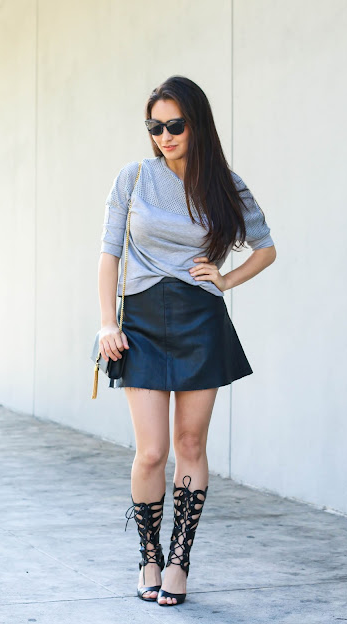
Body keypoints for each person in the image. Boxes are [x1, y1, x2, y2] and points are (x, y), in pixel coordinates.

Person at [97, 75, 276, 606]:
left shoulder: (225, 185)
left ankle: (179, 560)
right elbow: (108, 254)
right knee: (152, 451)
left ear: (197, 123)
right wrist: (107, 323)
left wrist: (226, 278)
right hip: (141, 322)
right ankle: (149, 555)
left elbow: (265, 247)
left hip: (200, 319)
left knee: (191, 445)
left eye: (174, 125)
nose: (165, 136)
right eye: (154, 127)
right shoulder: (133, 178)